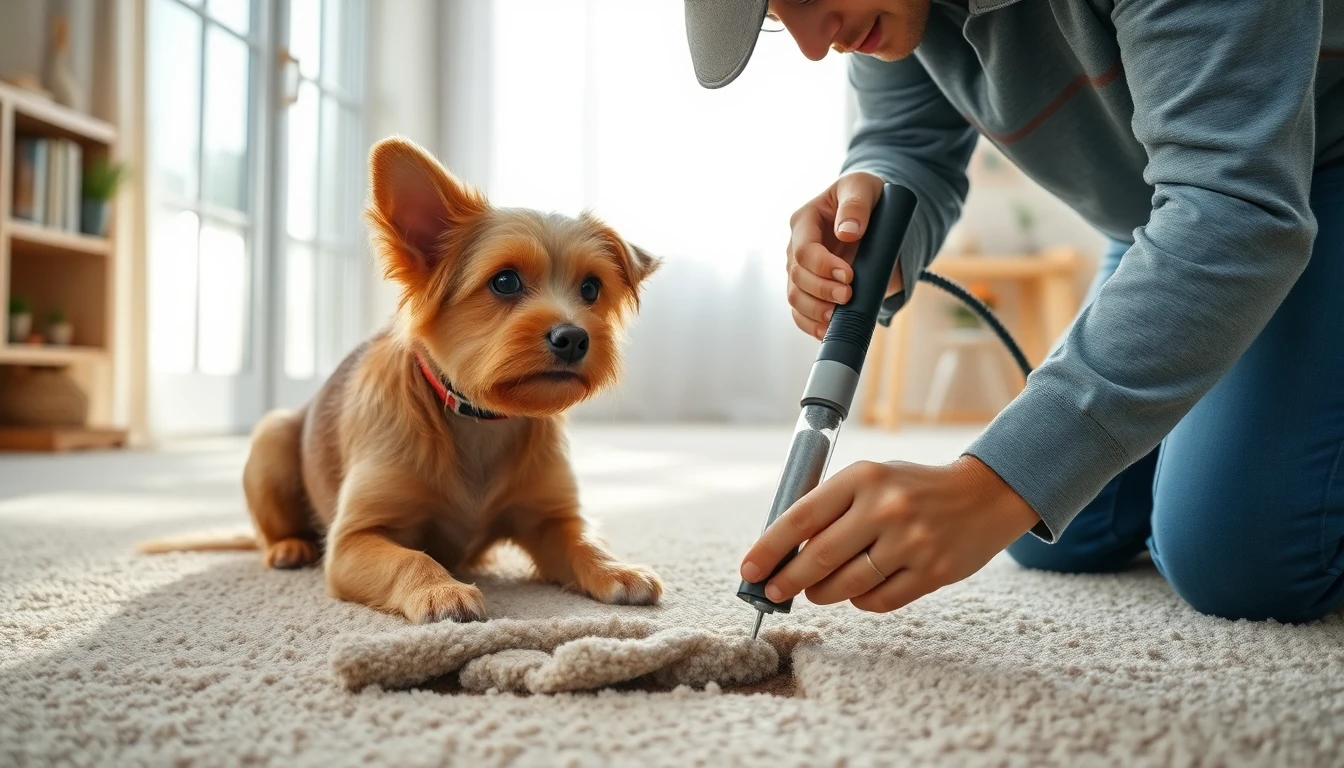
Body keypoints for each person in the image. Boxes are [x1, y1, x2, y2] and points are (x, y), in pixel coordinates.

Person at [682, 0, 1344, 623]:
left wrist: (993, 485)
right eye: (777, 16)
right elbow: (904, 140)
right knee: (1055, 528)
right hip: (1160, 214)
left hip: (1286, 180)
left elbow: (1232, 209)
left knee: (1242, 562)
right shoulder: (887, 12)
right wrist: (874, 217)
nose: (812, 46)